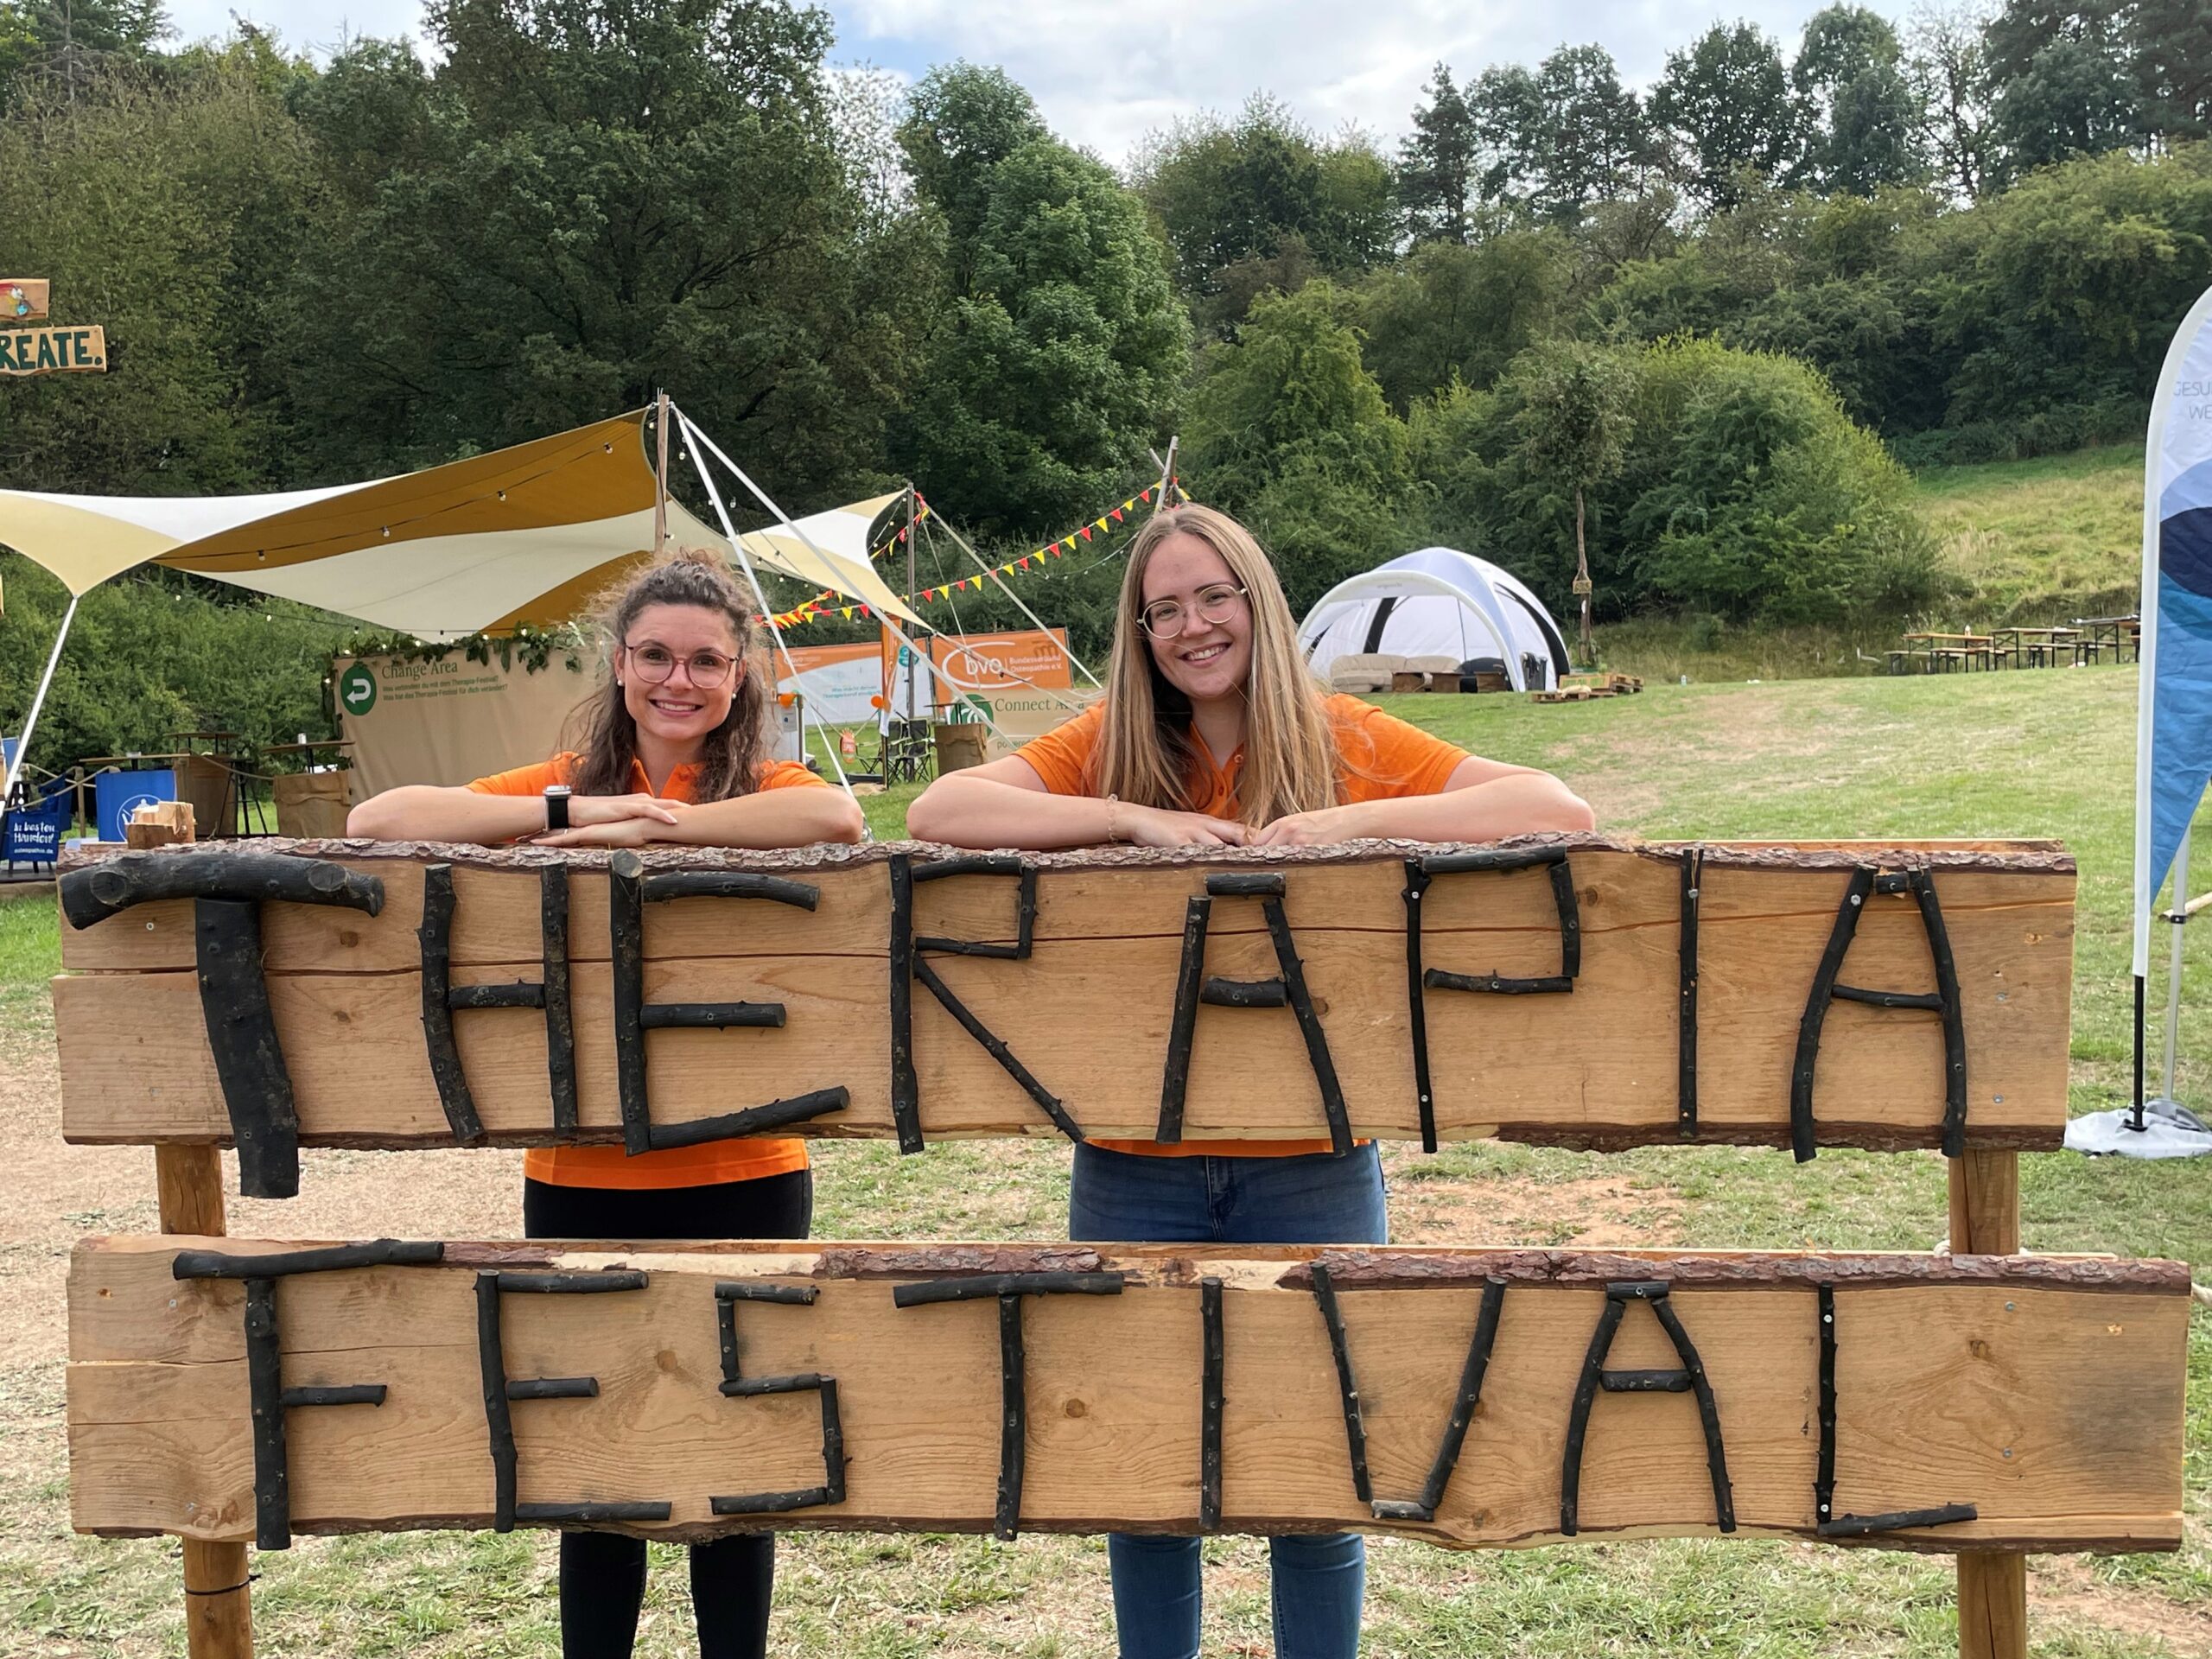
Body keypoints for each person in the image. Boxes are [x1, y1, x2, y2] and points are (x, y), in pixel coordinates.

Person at [906, 505, 1591, 1659]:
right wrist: (1127, 823)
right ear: (1140, 632)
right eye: (1163, 608)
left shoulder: (1338, 739)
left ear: (1255, 601)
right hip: (1131, 1161)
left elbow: (1552, 807)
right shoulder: (1111, 747)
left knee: (1320, 1465)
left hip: (1314, 1159)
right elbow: (939, 813)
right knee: (1143, 1469)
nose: (1192, 625)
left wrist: (1334, 832)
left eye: (1212, 596)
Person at [348, 549, 864, 1659]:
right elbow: (376, 818)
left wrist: (661, 829)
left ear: (739, 680)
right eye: (656, 657)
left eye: (705, 663)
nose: (679, 681)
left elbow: (838, 821)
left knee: (738, 1452)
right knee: (593, 1462)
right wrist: (577, 809)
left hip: (745, 1171)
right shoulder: (560, 785)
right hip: (579, 1172)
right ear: (620, 664)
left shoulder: (764, 786)